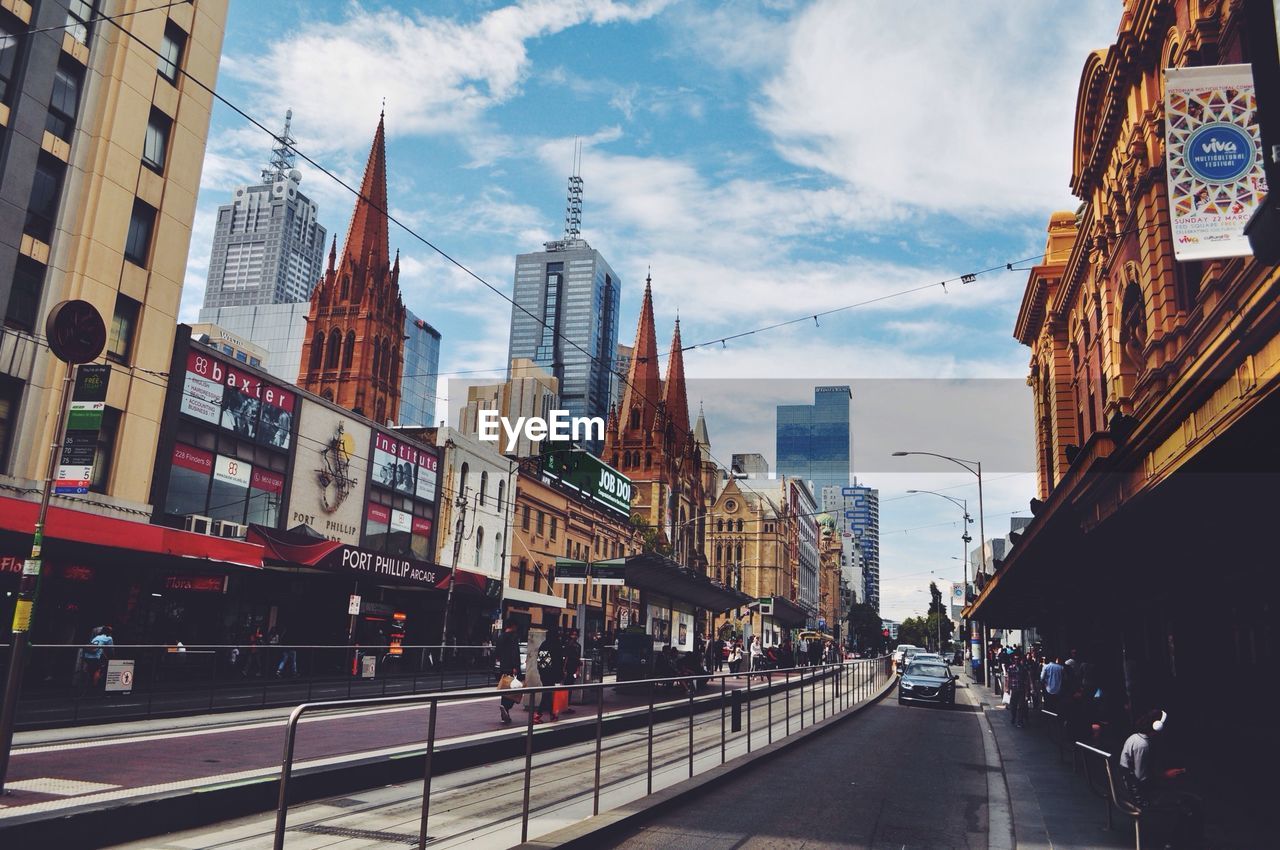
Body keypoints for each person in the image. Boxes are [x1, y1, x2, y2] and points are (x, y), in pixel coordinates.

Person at [1119, 709, 1203, 847]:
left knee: (1185, 798)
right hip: (1137, 794)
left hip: (1126, 787)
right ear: (1157, 726)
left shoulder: (1134, 737)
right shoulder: (1143, 745)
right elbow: (1141, 778)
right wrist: (1165, 775)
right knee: (1187, 802)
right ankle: (1175, 842)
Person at [534, 626, 565, 723]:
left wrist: (541, 671)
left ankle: (552, 714)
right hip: (552, 673)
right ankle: (538, 715)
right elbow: (559, 661)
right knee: (547, 693)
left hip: (544, 672)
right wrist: (560, 674)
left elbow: (540, 661)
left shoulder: (544, 644)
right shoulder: (557, 645)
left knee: (548, 692)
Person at [495, 619, 522, 724]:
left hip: (503, 667)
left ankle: (505, 709)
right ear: (513, 626)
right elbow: (514, 652)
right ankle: (507, 707)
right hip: (512, 668)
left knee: (505, 689)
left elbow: (497, 653)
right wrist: (515, 666)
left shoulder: (501, 637)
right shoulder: (513, 637)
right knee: (514, 690)